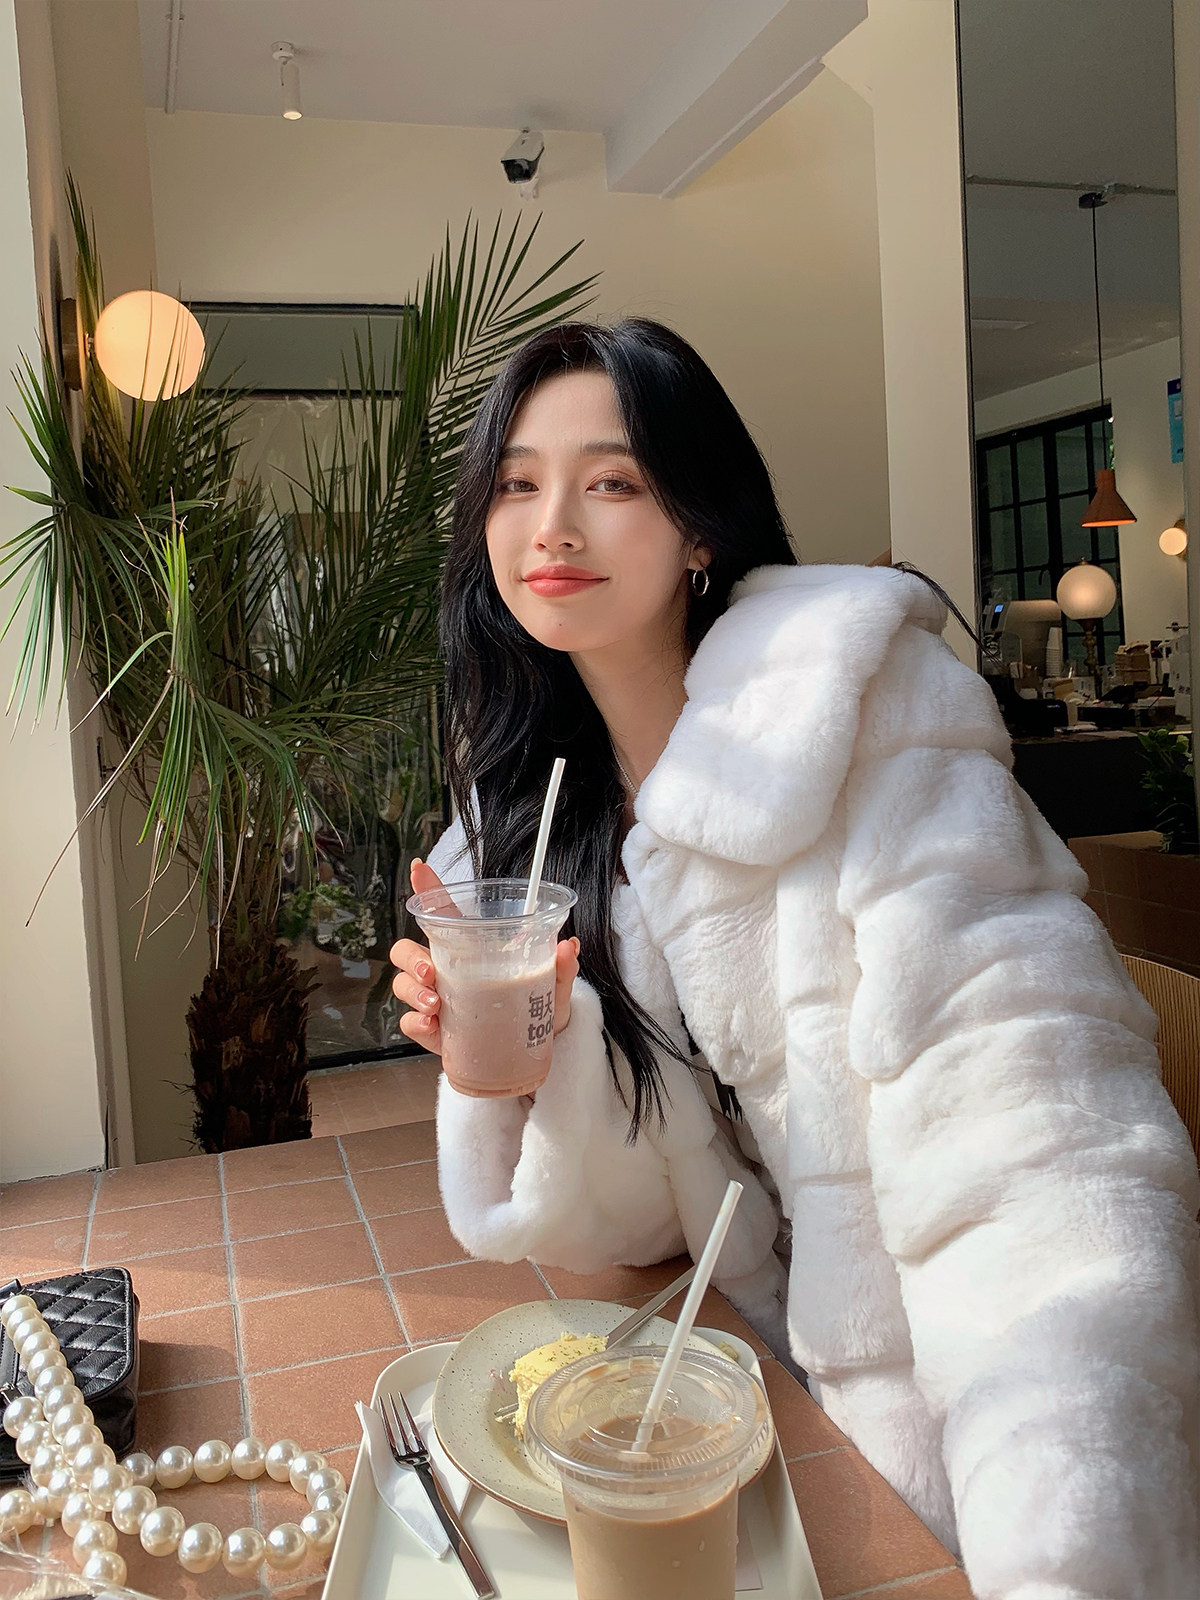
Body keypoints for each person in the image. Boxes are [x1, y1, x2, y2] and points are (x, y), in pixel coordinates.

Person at [390, 318, 1200, 1599]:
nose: (552, 528)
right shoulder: (548, 812)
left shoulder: (869, 719)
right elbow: (650, 1223)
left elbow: (1038, 1140)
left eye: (613, 482)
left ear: (699, 527)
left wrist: (1064, 1543)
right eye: (516, 483)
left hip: (937, 1434)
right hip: (761, 1392)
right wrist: (537, 1066)